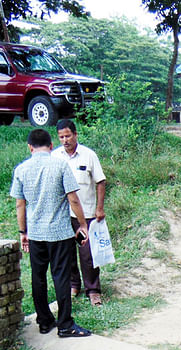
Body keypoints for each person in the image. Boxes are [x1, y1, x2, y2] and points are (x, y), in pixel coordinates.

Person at [11, 128, 92, 337]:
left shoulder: (21, 169)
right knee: (61, 277)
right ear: (51, 146)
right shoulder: (60, 165)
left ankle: (44, 321)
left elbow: (20, 205)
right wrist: (82, 225)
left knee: (38, 278)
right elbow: (73, 198)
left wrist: (23, 232)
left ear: (30, 147)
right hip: (60, 233)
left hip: (36, 234)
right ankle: (65, 324)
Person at [52, 119, 108, 306]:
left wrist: (99, 208)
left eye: (68, 135)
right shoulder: (55, 157)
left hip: (87, 213)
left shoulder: (88, 155)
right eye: (61, 137)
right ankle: (73, 285)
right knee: (66, 252)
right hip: (63, 214)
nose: (65, 140)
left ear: (75, 134)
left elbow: (100, 182)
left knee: (88, 253)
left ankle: (93, 290)